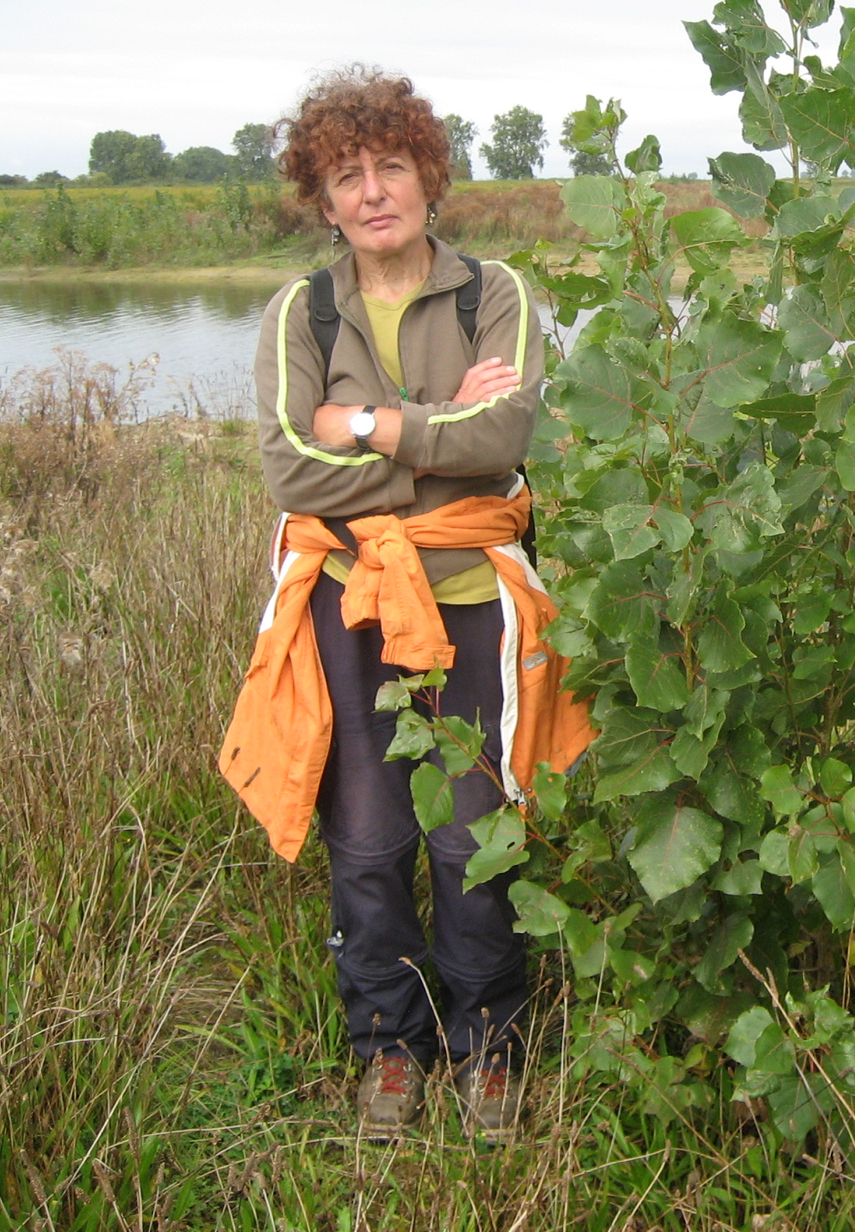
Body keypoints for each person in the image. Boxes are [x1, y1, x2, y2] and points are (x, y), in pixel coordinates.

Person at [218, 67, 592, 1142]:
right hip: (348, 611)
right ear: (323, 200)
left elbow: (502, 442)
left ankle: (488, 1052)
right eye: (348, 175)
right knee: (371, 838)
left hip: (474, 603)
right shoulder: (305, 309)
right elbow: (291, 472)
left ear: (429, 176)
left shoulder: (496, 296)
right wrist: (432, 435)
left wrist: (370, 426)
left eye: (391, 166)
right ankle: (389, 1046)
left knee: (478, 834)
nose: (374, 191)